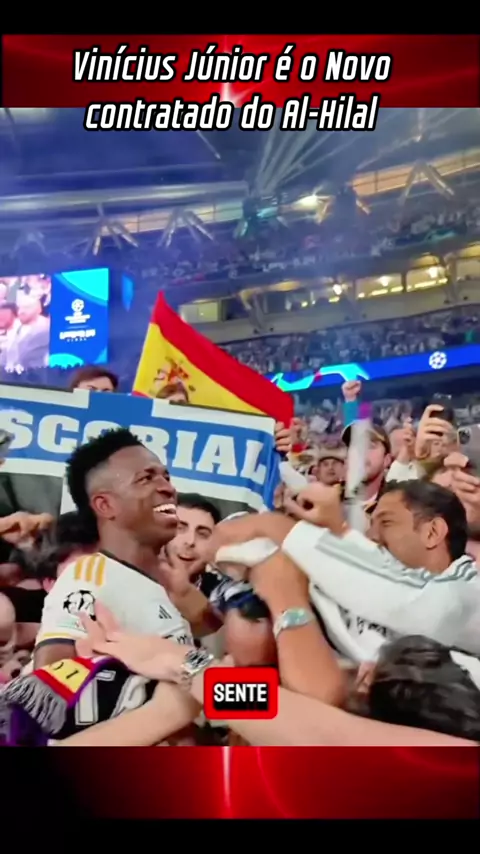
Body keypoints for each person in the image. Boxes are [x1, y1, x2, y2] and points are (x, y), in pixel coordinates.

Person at [34, 427, 192, 669]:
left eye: (166, 477)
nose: (168, 488)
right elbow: (47, 682)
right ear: (105, 505)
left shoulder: (173, 585)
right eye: (146, 478)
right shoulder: (87, 579)